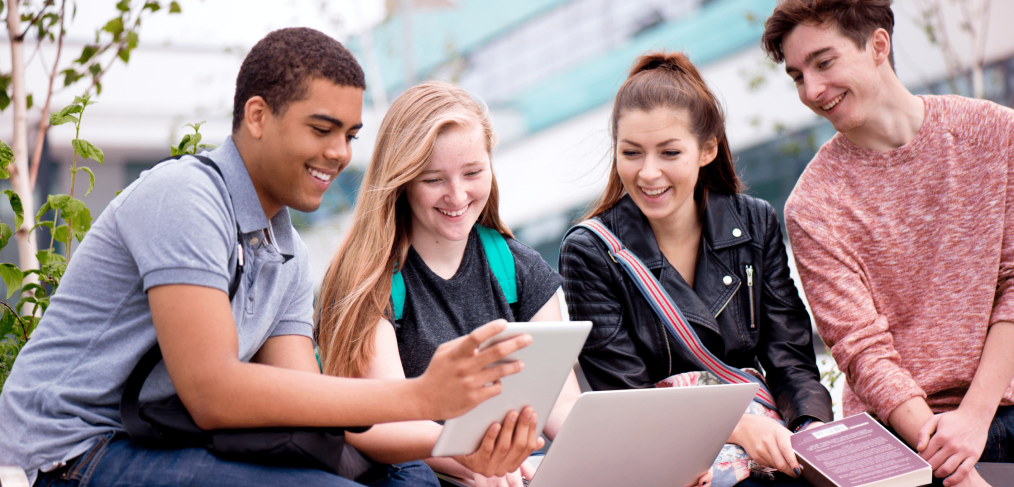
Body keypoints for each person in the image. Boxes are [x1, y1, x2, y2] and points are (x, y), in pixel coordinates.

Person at [0, 28, 533, 487]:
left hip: (167, 439)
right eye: (321, 130)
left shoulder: (286, 253)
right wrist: (421, 397)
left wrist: (454, 442)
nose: (340, 153)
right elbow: (213, 391)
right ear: (257, 115)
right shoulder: (186, 197)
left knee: (410, 476)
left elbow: (304, 403)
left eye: (349, 136)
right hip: (72, 451)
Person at [761, 1, 1014, 486]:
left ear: (879, 45)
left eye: (824, 62)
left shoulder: (994, 134)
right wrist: (953, 463)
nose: (812, 91)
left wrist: (973, 420)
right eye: (797, 76)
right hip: (905, 439)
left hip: (997, 407)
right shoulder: (813, 208)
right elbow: (863, 351)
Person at [559, 51, 833, 486]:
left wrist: (810, 429)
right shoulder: (590, 251)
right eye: (632, 153)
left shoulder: (754, 222)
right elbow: (626, 396)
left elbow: (790, 359)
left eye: (669, 152)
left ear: (707, 150)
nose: (648, 173)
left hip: (771, 447)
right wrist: (739, 428)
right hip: (670, 458)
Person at [314, 80, 582, 487]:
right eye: (433, 179)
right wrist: (468, 459)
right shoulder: (369, 280)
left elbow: (561, 402)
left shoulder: (518, 267)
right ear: (400, 180)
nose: (457, 196)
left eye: (472, 173)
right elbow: (379, 424)